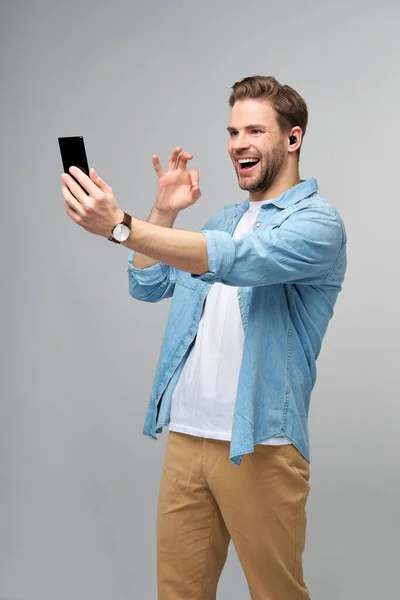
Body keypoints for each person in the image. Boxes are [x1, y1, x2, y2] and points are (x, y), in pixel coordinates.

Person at [61, 75, 347, 600]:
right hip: (188, 437)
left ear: (293, 138)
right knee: (178, 593)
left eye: (255, 130)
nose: (238, 142)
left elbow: (236, 262)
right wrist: (164, 212)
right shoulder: (221, 220)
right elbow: (146, 283)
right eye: (233, 131)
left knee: (276, 593)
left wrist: (120, 225)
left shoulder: (317, 225)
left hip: (259, 444)